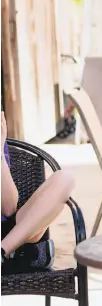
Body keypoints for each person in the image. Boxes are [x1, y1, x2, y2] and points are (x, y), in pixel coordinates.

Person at [1, 112, 75, 272]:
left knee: (64, 179)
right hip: (16, 238)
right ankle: (15, 252)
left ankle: (4, 251)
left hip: (12, 232)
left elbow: (9, 208)